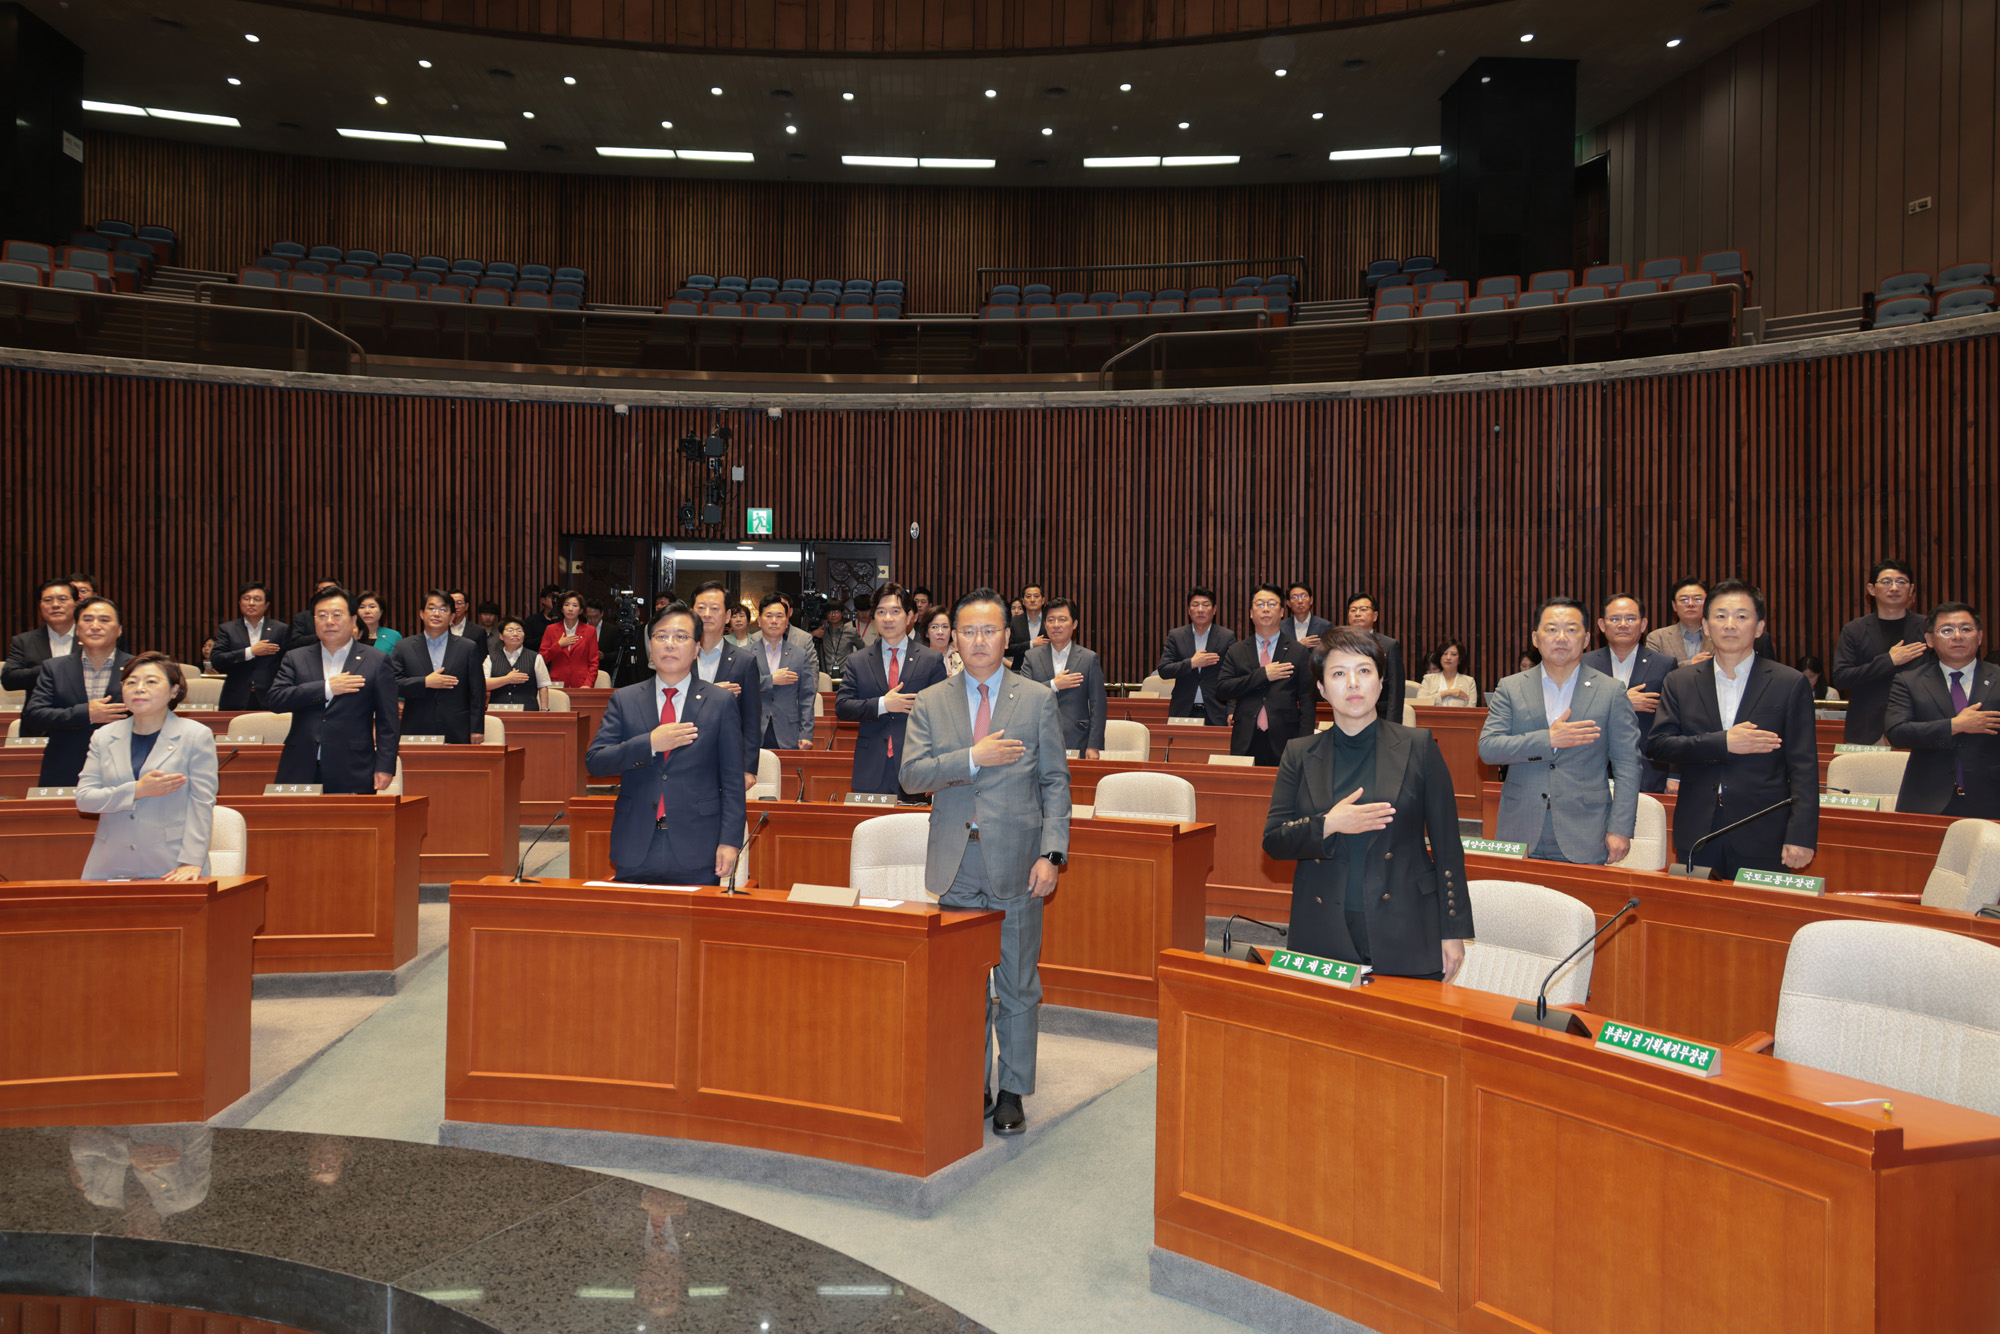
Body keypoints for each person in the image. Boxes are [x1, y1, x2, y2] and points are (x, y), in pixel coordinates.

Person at [901, 587, 1071, 1136]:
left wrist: (1052, 854)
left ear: (1007, 637)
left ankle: (1012, 1089)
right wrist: (972, 758)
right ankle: (969, 1082)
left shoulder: (1037, 699)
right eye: (967, 631)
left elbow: (1055, 784)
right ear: (953, 639)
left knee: (1017, 985)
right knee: (964, 987)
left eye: (989, 631)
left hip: (1019, 863)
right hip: (955, 864)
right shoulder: (930, 701)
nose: (978, 641)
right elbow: (912, 776)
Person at [1261, 627, 1471, 980]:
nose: (1353, 684)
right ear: (1322, 688)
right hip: (1322, 925)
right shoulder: (1299, 753)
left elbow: (1448, 846)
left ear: (1381, 681)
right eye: (1339, 674)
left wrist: (1452, 930)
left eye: (1364, 671)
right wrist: (1329, 823)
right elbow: (1274, 840)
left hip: (1406, 923)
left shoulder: (1418, 746)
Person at [1646, 578, 1818, 877]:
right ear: (1707, 627)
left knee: (1761, 918)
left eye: (1741, 616)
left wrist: (1801, 835)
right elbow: (1659, 744)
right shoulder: (1680, 681)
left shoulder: (1789, 683)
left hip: (1764, 830)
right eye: (1720, 616)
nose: (1730, 625)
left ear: (1760, 627)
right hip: (1698, 831)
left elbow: (1804, 765)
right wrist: (1724, 742)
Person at [584, 602, 746, 886]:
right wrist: (649, 743)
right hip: (635, 843)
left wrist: (730, 841)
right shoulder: (625, 699)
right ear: (650, 646)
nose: (669, 644)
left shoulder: (719, 702)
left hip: (698, 844)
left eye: (681, 637)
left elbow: (732, 780)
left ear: (696, 648)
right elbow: (596, 762)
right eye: (661, 636)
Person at [1479, 597, 1641, 864]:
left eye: (1572, 629)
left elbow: (1628, 765)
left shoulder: (1611, 691)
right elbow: (1489, 748)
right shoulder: (1510, 687)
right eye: (1552, 629)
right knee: (1517, 904)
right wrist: (1548, 739)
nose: (1562, 637)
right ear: (1535, 638)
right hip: (1520, 826)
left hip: (1587, 829)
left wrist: (1621, 829)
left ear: (1587, 638)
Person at [75, 653, 218, 881]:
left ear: (174, 690)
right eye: (131, 682)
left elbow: (201, 803)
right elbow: (85, 799)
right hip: (109, 863)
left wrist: (191, 861)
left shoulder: (195, 735)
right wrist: (137, 790)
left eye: (151, 681)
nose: (139, 688)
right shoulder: (103, 736)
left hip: (173, 864)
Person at [267, 586, 400, 793]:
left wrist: (385, 766)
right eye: (322, 615)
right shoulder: (296, 657)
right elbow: (276, 700)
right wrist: (326, 688)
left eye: (337, 615)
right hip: (299, 765)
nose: (329, 621)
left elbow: (387, 721)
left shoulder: (376, 661)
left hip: (353, 767)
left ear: (354, 620)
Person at [1886, 602, 2000, 818]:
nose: (1957, 636)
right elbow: (1897, 733)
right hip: (1926, 801)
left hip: (1991, 801)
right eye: (1947, 630)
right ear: (1930, 640)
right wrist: (1954, 726)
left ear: (1980, 636)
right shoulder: (1909, 681)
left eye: (1966, 629)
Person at [835, 583, 947, 797]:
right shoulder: (857, 660)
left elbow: (942, 717)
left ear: (910, 616)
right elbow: (842, 707)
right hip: (871, 767)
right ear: (874, 617)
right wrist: (883, 704)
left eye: (895, 611)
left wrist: (937, 770)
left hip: (916, 766)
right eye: (881, 612)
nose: (888, 618)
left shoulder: (930, 660)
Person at [23, 596, 132, 788]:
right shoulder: (54, 668)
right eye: (87, 620)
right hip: (65, 768)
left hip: (126, 766)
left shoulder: (138, 667)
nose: (95, 626)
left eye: (105, 620)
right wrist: (86, 714)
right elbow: (34, 716)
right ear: (77, 628)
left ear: (119, 630)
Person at [1583, 593, 1676, 793]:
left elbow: (1675, 723)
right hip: (1592, 770)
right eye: (1615, 619)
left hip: (1648, 771)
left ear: (1643, 625)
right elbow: (1575, 714)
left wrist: (1674, 774)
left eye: (1631, 619)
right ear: (1601, 624)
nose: (1623, 624)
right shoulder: (1584, 664)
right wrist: (1623, 702)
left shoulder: (1664, 664)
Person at [1831, 559, 1928, 744]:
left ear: (1911, 589)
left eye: (1901, 582)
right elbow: (1841, 677)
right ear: (1871, 589)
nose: (1894, 588)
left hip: (1919, 725)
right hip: (1867, 728)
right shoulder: (1855, 629)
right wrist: (1889, 661)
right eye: (1886, 582)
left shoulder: (1928, 628)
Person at [1217, 585, 1315, 766]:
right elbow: (1223, 689)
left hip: (1286, 739)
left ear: (1282, 612)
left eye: (1271, 604)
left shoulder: (1298, 651)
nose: (1266, 608)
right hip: (1246, 738)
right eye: (1260, 604)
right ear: (1251, 613)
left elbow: (1308, 702)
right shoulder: (1236, 650)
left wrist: (1304, 743)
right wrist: (1263, 674)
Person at [690, 581, 764, 790]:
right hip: (683, 754)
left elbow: (751, 719)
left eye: (715, 609)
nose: (707, 614)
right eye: (701, 608)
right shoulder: (678, 656)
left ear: (728, 615)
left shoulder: (744, 661)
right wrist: (712, 693)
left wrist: (748, 768)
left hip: (727, 759)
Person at [392, 589, 487, 744]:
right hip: (416, 727)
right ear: (422, 614)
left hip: (457, 728)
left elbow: (478, 691)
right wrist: (424, 682)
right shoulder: (404, 647)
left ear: (452, 617)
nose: (437, 613)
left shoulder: (468, 647)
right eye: (432, 608)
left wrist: (477, 729)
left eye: (443, 609)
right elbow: (392, 684)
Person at [1020, 597, 1107, 759]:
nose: (1056, 625)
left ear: (1074, 624)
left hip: (1077, 739)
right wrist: (1054, 684)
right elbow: (1024, 696)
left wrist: (1094, 745)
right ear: (1045, 625)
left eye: (1062, 619)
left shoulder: (1089, 658)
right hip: (1037, 739)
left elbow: (1098, 705)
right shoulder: (1031, 656)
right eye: (1051, 620)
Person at [1158, 587, 1236, 725]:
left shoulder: (1226, 637)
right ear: (1189, 610)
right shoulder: (1176, 636)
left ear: (1214, 610)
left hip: (1217, 711)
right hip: (1183, 710)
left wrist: (1232, 709)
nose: (1200, 609)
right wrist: (1192, 663)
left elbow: (1233, 676)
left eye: (1206, 605)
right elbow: (1164, 670)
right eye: (1195, 605)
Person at [751, 593, 817, 751]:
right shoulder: (745, 654)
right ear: (759, 621)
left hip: (789, 732)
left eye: (779, 616)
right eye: (769, 616)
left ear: (787, 622)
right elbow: (741, 689)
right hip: (753, 731)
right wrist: (771, 680)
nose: (774, 621)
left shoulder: (799, 655)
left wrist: (806, 734)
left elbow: (807, 697)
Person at [212, 580, 291, 711]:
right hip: (235, 697)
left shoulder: (280, 629)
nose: (251, 603)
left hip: (270, 695)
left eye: (257, 599)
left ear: (266, 605)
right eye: (246, 599)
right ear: (239, 603)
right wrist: (251, 652)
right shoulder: (227, 629)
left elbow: (287, 664)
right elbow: (217, 660)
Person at [4, 578, 79, 693]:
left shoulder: (92, 638)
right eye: (48, 600)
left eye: (62, 599)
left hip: (84, 709)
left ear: (76, 603)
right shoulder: (24, 641)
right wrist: (52, 669)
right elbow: (9, 680)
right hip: (39, 709)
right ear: (40, 605)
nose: (55, 605)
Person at [1343, 591, 1406, 723]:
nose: (1358, 613)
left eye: (1363, 609)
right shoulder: (1340, 647)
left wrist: (1392, 725)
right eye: (1353, 610)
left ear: (1375, 616)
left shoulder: (1389, 646)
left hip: (1381, 716)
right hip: (1348, 715)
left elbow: (1396, 691)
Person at [486, 617, 551, 710]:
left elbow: (543, 686)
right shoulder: (491, 658)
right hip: (498, 712)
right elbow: (483, 684)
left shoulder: (535, 657)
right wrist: (507, 679)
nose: (515, 634)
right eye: (510, 630)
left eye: (519, 630)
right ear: (501, 636)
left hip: (527, 713)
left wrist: (544, 711)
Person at [539, 591, 602, 689]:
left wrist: (588, 684)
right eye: (567, 605)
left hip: (582, 684)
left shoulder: (590, 631)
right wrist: (558, 645)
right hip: (557, 683)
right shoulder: (551, 629)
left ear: (581, 610)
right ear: (562, 609)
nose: (570, 609)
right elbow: (542, 658)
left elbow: (594, 662)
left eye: (575, 605)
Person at [1644, 577, 1713, 664]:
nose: (1690, 604)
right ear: (1674, 606)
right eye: (1684, 600)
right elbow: (1652, 671)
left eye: (1697, 599)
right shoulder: (1657, 638)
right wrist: (1690, 664)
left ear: (1708, 604)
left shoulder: (1719, 635)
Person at [1416, 639, 1478, 707]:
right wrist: (1446, 693)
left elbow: (1471, 709)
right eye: (1445, 654)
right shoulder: (1429, 679)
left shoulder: (1469, 682)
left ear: (1460, 659)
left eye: (1453, 654)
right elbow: (1420, 702)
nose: (1448, 657)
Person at [1006, 582, 1048, 669]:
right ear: (1023, 601)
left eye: (1036, 596)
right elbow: (1007, 649)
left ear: (1043, 600)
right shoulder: (1014, 622)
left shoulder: (1050, 621)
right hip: (1019, 671)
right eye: (1028, 596)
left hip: (1045, 672)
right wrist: (1031, 644)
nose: (1032, 600)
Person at [288, 578, 342, 643]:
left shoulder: (347, 615)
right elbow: (296, 641)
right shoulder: (303, 617)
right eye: (322, 589)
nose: (327, 592)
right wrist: (324, 635)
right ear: (315, 593)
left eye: (331, 589)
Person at [1282, 582, 1332, 650]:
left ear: (1311, 600)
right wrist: (1299, 645)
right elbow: (1279, 653)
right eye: (1295, 597)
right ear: (1288, 603)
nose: (1300, 601)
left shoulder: (1324, 626)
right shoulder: (1281, 627)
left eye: (1303, 596)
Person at [818, 604, 862, 675]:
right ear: (826, 615)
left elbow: (863, 649)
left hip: (846, 674)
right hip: (826, 674)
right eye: (830, 612)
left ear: (842, 613)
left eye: (836, 612)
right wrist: (812, 634)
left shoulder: (851, 631)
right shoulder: (822, 632)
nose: (833, 615)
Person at [920, 605, 964, 676]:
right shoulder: (919, 661)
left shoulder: (963, 659)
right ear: (926, 633)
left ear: (951, 631)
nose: (940, 632)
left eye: (945, 627)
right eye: (934, 627)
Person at [446, 588, 489, 658]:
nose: (456, 607)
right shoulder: (440, 629)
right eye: (452, 603)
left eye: (459, 603)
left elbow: (483, 658)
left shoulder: (478, 631)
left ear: (466, 606)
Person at [523, 583, 564, 656]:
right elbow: (526, 642)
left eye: (557, 598)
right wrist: (546, 638)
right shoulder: (532, 620)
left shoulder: (563, 620)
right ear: (543, 600)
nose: (555, 600)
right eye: (552, 597)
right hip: (537, 658)